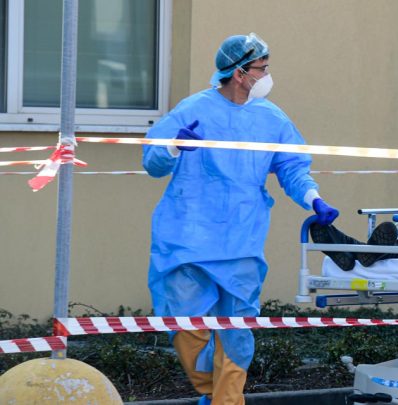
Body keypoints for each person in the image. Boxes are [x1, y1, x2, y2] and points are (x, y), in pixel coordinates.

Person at [142, 33, 339, 405]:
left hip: (241, 240)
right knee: (185, 327)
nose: (267, 75)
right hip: (187, 237)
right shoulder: (192, 110)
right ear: (239, 73)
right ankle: (209, 390)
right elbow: (152, 164)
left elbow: (293, 168)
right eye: (261, 68)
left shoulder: (272, 119)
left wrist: (314, 199)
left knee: (237, 330)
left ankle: (227, 399)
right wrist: (173, 146)